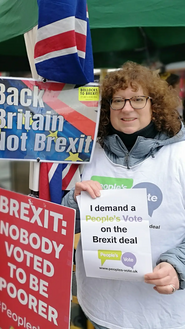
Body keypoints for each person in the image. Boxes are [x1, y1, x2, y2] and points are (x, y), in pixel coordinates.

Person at [62, 62, 185, 329]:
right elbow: (61, 225)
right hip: (104, 308)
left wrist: (178, 265)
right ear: (107, 108)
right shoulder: (86, 154)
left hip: (164, 313)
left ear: (154, 104)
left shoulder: (181, 156)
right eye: (117, 100)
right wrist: (74, 202)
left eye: (138, 99)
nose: (127, 108)